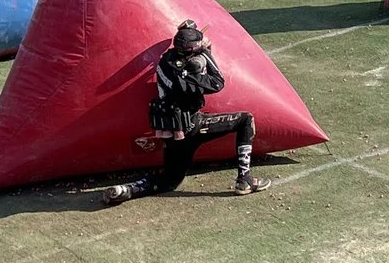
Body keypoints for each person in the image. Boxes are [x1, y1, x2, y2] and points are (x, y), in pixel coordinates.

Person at [102, 21, 266, 204]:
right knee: (245, 120)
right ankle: (245, 180)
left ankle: (127, 189)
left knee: (169, 181)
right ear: (192, 49)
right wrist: (205, 53)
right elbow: (218, 82)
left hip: (171, 130)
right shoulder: (193, 70)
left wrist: (190, 33)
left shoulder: (166, 60)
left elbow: (183, 49)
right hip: (193, 125)